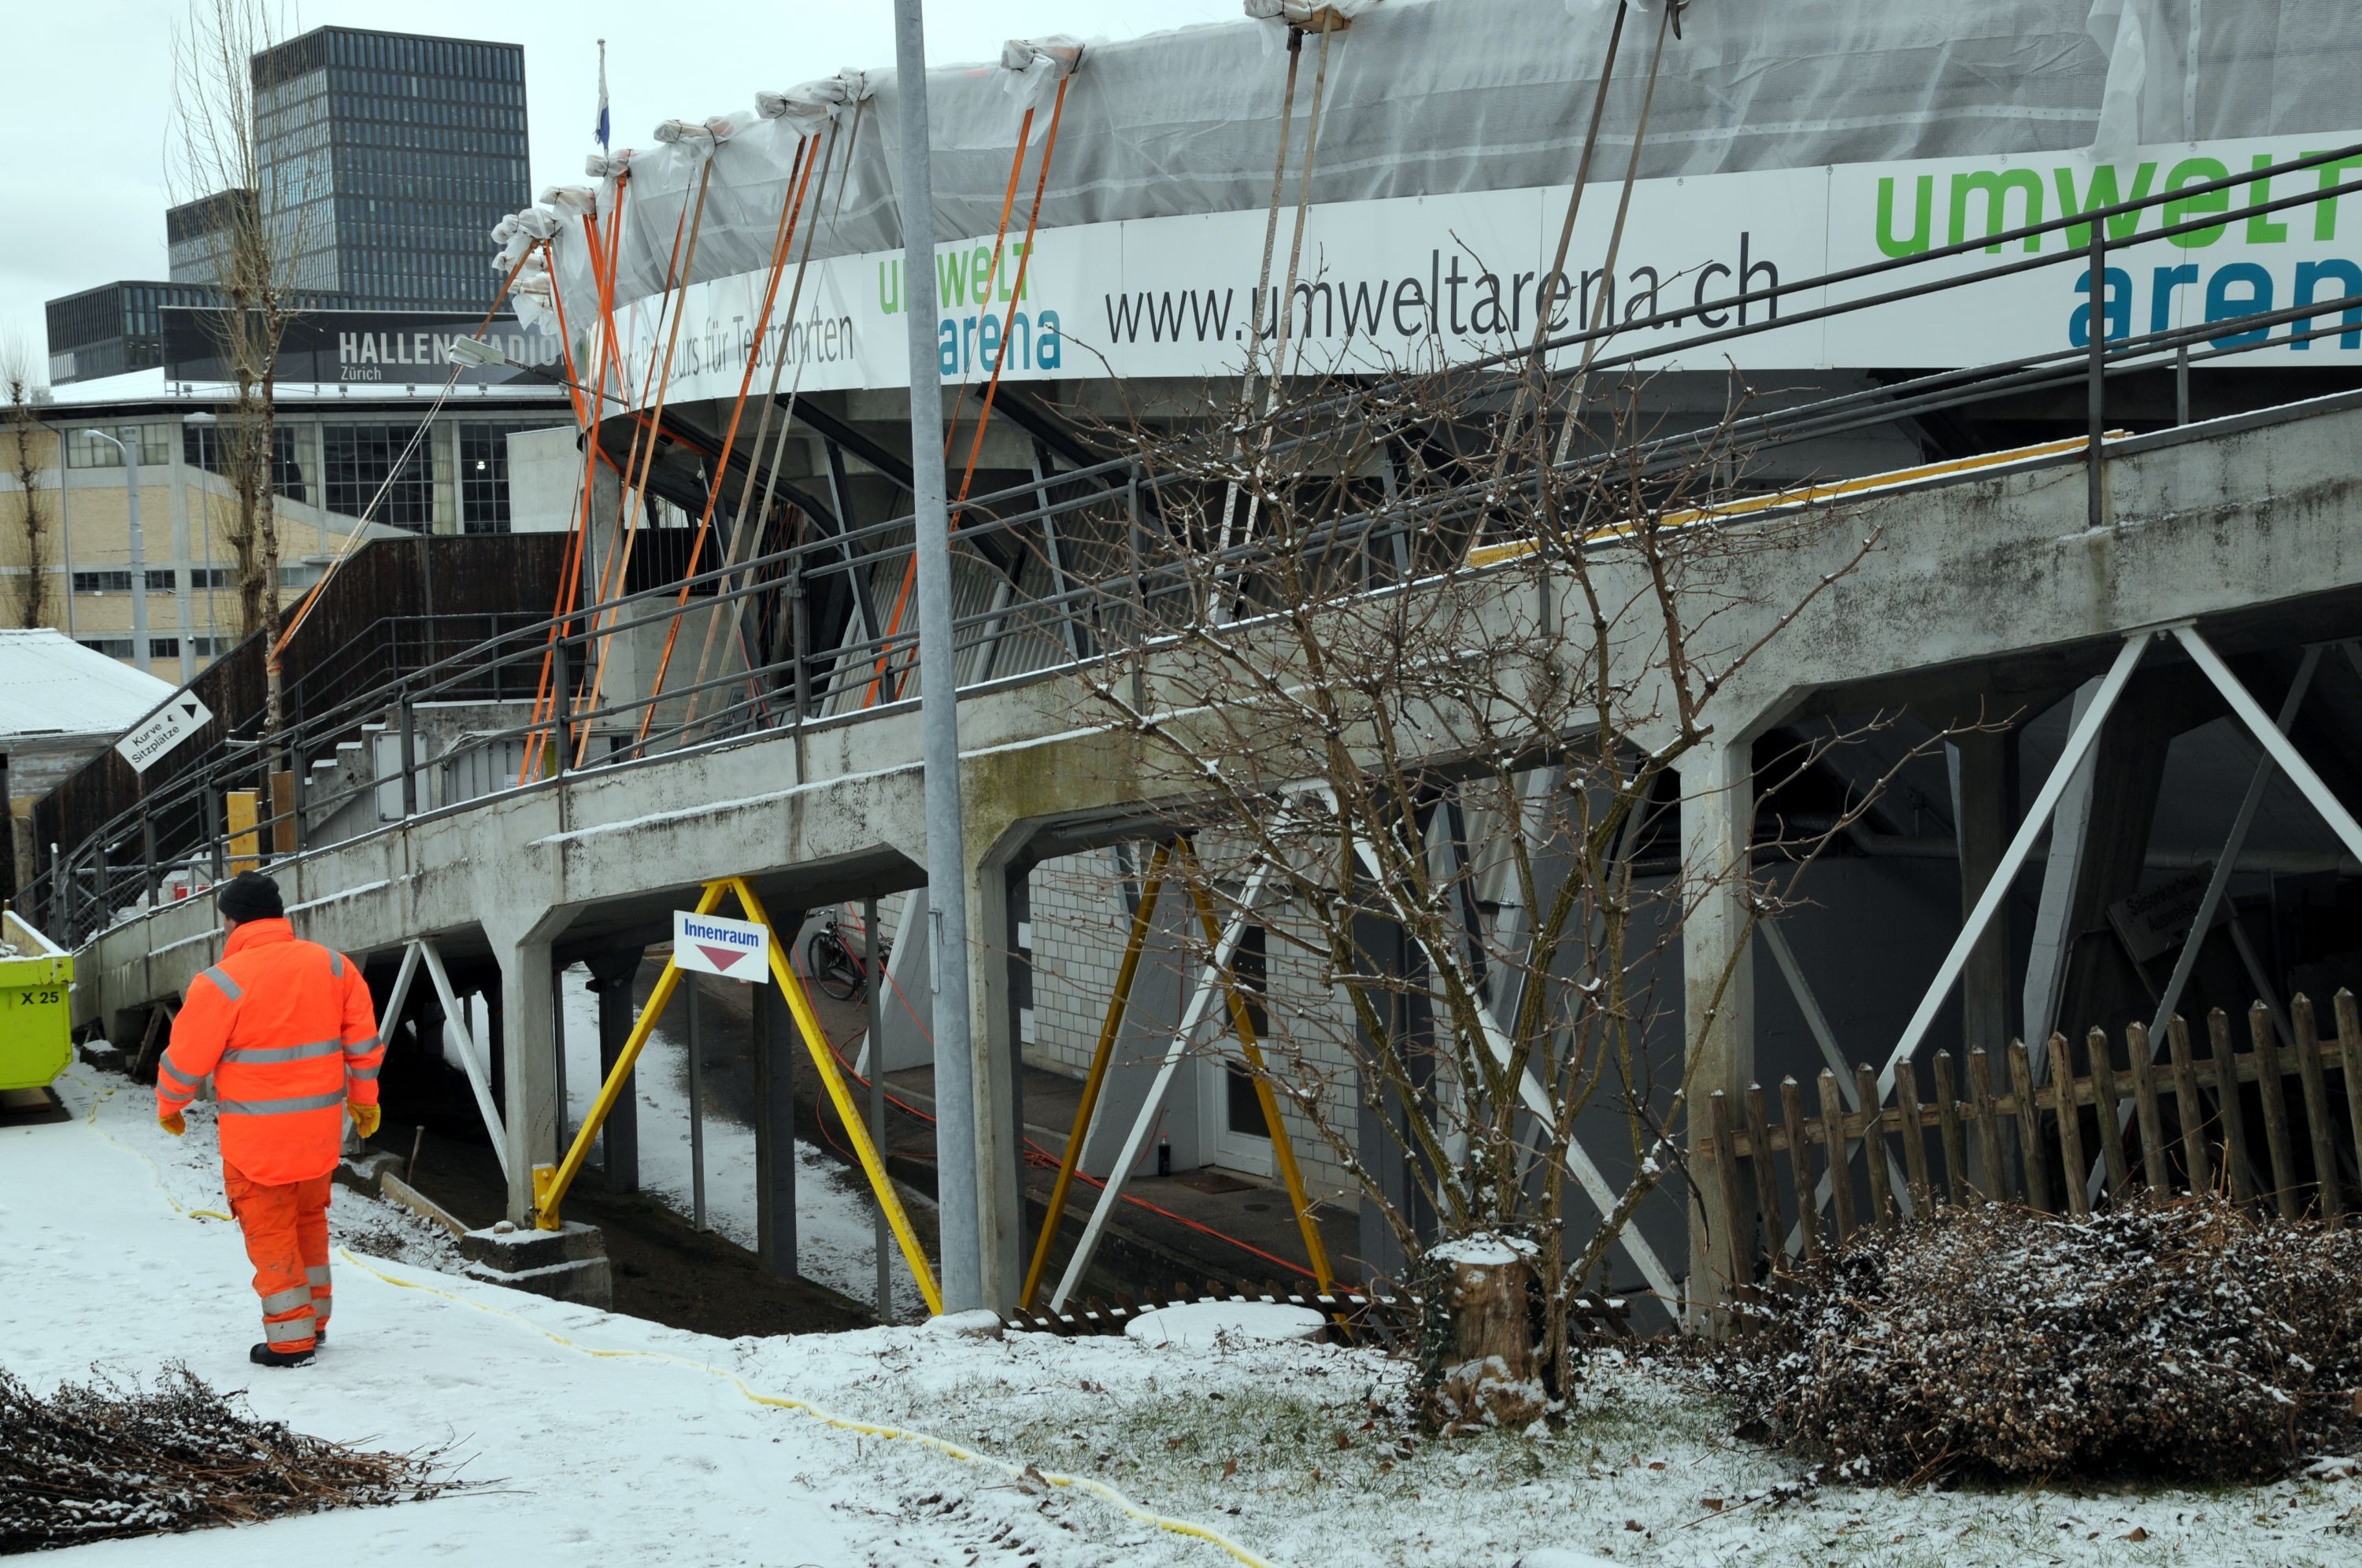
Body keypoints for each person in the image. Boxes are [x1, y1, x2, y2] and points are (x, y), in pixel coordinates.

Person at [154, 871, 383, 1367]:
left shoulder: (220, 982)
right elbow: (364, 1048)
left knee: (271, 1233)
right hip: (319, 1138)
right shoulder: (334, 967)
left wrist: (169, 1104)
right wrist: (364, 1100)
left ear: (231, 921)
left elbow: (185, 1060)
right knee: (308, 1224)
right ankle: (315, 1323)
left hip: (256, 1144)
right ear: (280, 915)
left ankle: (291, 1341)